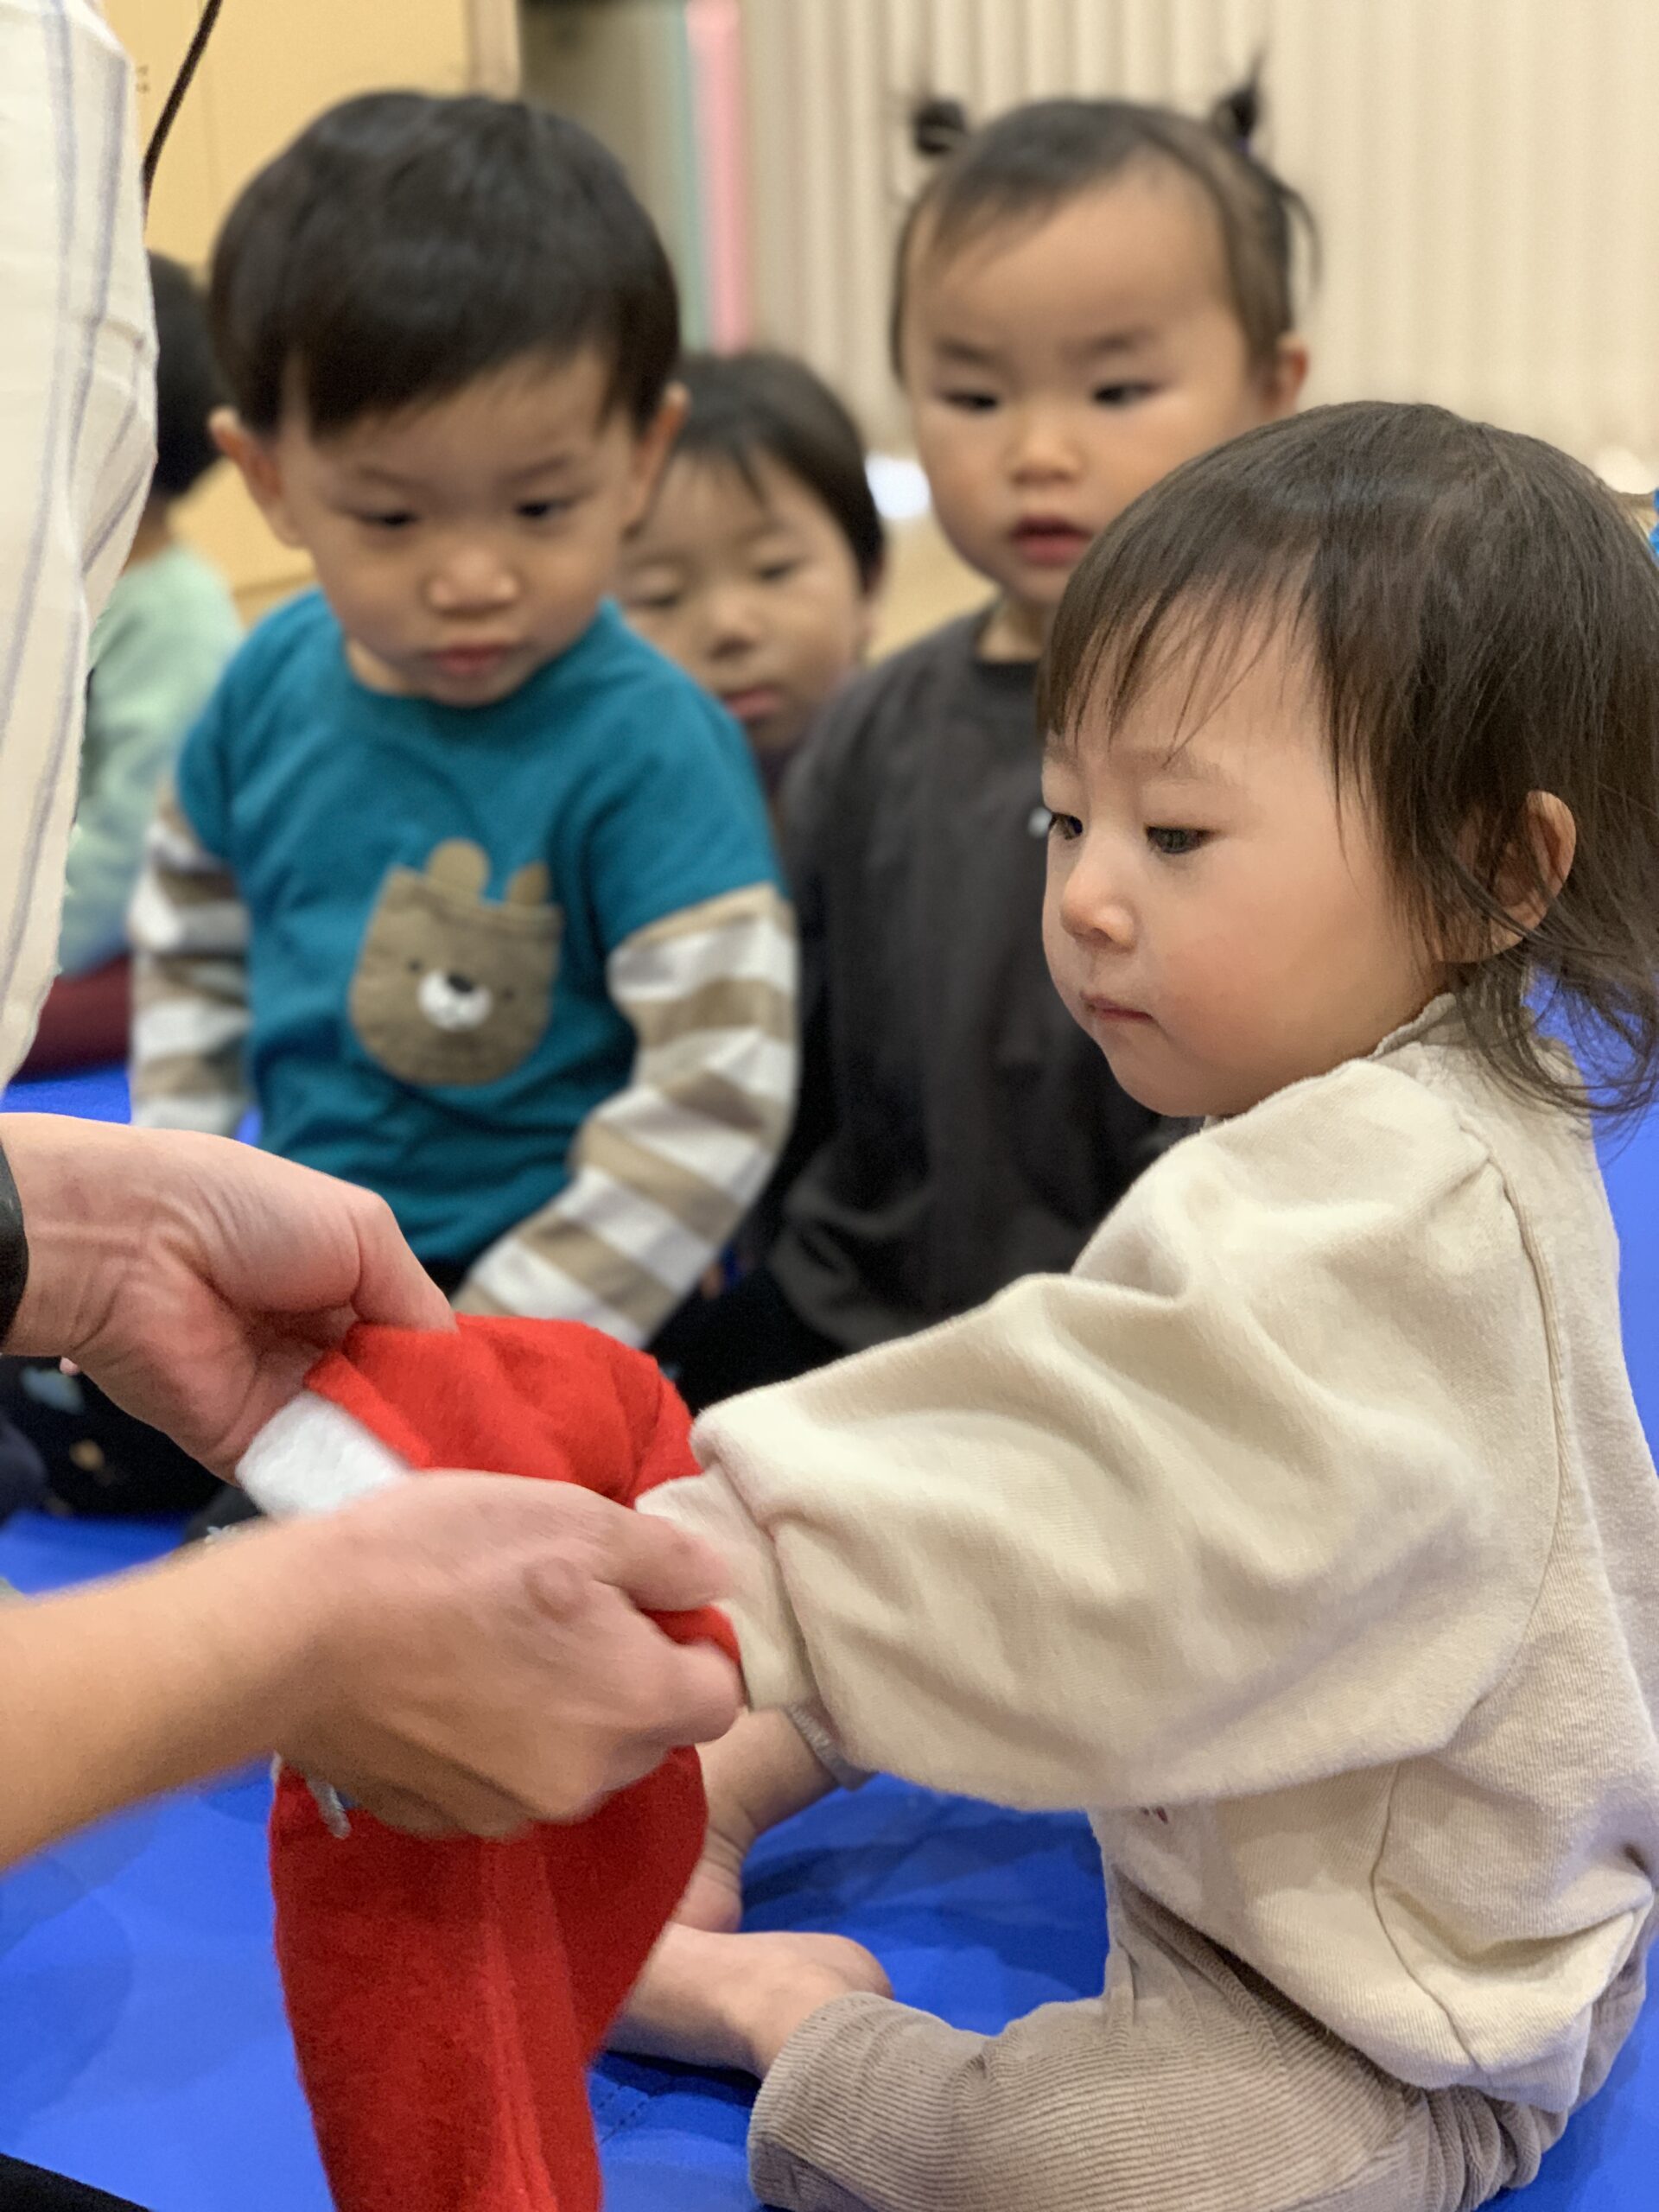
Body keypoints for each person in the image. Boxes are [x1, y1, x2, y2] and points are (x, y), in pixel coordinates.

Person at [623, 404, 1659, 2211]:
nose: (1089, 894)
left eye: (1176, 830)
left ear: (1496, 873)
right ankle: (744, 1758)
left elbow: (1095, 1511)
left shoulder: (1396, 1198)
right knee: (1009, 1517)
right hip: (1254, 1758)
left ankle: (787, 2025)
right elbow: (1072, 1470)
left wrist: (697, 1587)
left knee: (1105, 2171)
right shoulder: (1359, 1105)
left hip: (1390, 2007)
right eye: (1068, 814)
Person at [0, 12, 739, 2202]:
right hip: (318, 1342)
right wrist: (196, 1166)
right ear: (264, 470)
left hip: (527, 1320)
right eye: (394, 515)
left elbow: (711, 1083)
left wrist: (504, 1341)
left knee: (643, 1600)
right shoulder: (262, 693)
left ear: (642, 452)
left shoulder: (649, 736)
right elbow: (193, 952)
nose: (472, 573)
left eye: (539, 505)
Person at [657, 84, 1309, 1411]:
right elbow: (789, 1032)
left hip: (1143, 1353)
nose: (1037, 451)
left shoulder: (1303, 736)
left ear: (1270, 390)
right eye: (970, 393)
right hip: (854, 1326)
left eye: (1116, 388)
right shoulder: (874, 725)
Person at [20, 254, 241, 1078]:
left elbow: (129, 850)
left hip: (133, 941)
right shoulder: (57, 589)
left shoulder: (176, 616)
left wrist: (27, 959)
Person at [617, 348, 886, 804]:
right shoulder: (604, 810)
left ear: (868, 582)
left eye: (773, 570)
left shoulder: (928, 769)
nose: (728, 626)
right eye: (661, 596)